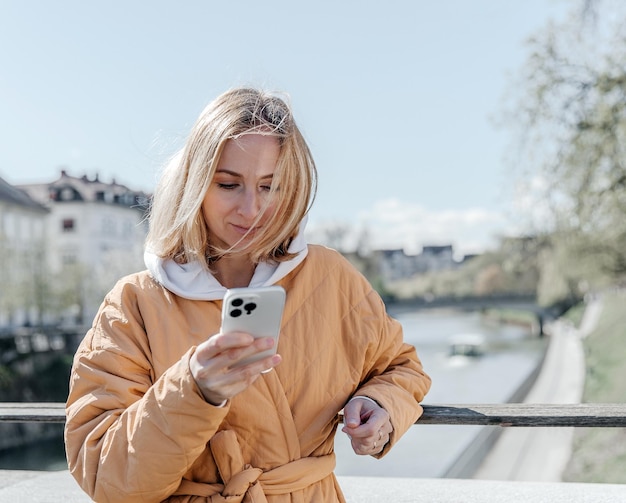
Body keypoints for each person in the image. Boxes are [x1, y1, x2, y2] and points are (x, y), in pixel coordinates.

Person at [64, 87, 431, 503]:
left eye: (270, 187)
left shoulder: (332, 277)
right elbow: (107, 478)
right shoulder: (134, 303)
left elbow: (403, 368)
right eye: (228, 184)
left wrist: (378, 404)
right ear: (194, 183)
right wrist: (195, 391)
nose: (251, 209)